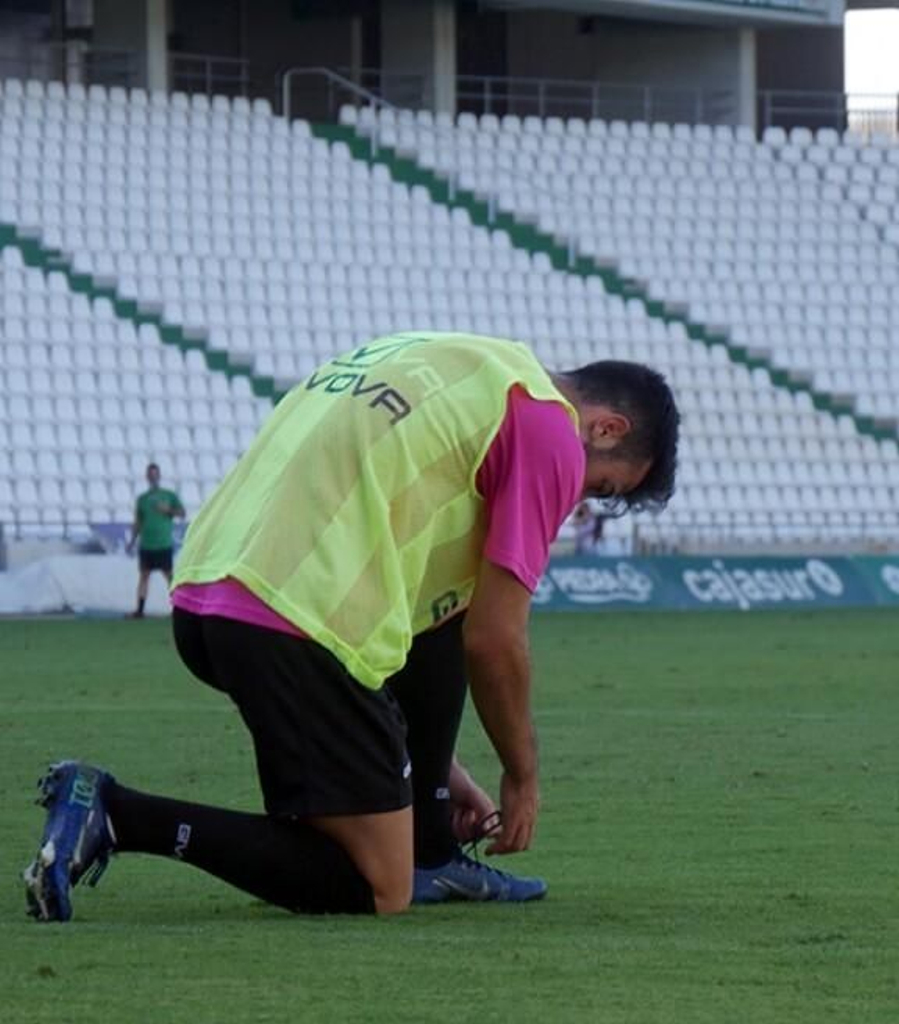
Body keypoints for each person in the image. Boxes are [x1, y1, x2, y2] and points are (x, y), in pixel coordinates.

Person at [23, 331, 677, 921]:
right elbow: (496, 639)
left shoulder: (461, 359)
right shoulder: (549, 431)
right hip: (298, 620)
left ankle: (433, 846)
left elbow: (437, 619)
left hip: (210, 593)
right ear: (607, 428)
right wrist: (522, 776)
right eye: (602, 488)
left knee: (451, 600)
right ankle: (117, 813)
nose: (581, 500)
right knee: (379, 885)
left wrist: (435, 773)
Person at [127, 462, 185, 618]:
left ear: (159, 475)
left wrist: (168, 510)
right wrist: (132, 541)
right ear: (147, 476)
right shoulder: (142, 499)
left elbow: (182, 513)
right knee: (144, 576)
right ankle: (140, 610)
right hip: (147, 544)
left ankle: (180, 609)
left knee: (170, 577)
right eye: (150, 474)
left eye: (155, 474)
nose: (153, 477)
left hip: (163, 543)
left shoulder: (169, 495)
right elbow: (138, 521)